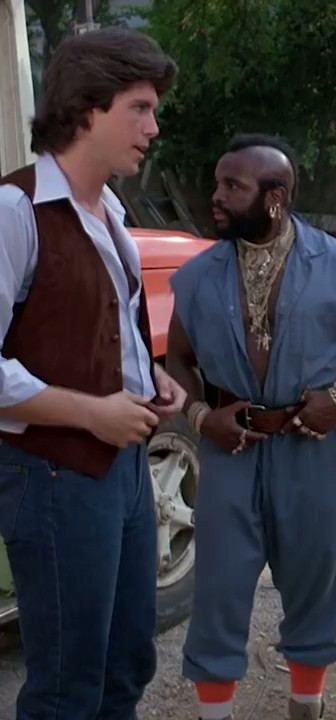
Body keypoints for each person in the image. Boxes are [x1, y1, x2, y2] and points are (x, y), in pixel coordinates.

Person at [166, 133, 336, 720]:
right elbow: (177, 360)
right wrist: (201, 417)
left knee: (316, 578)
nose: (216, 196)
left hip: (312, 448)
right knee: (219, 586)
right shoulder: (197, 277)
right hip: (231, 450)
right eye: (217, 183)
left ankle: (306, 704)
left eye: (232, 186)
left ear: (275, 198)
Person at [0, 28, 185, 719]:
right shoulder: (15, 211)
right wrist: (91, 411)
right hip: (52, 474)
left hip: (123, 471)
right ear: (87, 109)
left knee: (126, 662)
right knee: (66, 685)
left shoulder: (109, 209)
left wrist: (151, 380)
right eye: (140, 108)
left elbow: (107, 326)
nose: (153, 128)